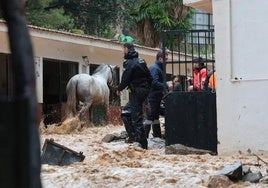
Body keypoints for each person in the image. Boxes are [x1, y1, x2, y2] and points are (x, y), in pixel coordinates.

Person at [116, 42, 152, 149]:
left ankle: (142, 144)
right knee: (128, 114)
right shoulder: (142, 61)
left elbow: (125, 79)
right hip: (143, 92)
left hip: (136, 93)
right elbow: (150, 78)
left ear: (126, 49)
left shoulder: (129, 63)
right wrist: (146, 90)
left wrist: (119, 88)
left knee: (135, 118)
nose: (122, 51)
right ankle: (135, 139)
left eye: (123, 49)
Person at [143, 51, 172, 138]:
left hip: (156, 96)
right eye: (166, 59)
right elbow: (154, 83)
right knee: (150, 117)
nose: (167, 61)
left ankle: (157, 137)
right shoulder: (155, 68)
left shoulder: (158, 68)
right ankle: (143, 139)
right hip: (152, 97)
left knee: (155, 118)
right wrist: (166, 85)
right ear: (160, 59)